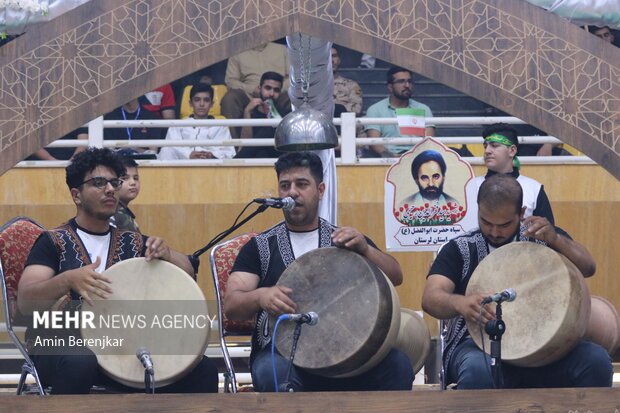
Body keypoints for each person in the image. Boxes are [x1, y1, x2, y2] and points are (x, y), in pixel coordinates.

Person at [17, 148, 218, 394]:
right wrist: (67, 280)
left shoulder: (133, 242)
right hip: (55, 342)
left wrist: (168, 253)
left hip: (119, 347)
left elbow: (187, 271)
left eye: (115, 182)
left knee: (203, 369)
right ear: (76, 195)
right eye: (99, 183)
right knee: (80, 361)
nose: (111, 189)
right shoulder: (52, 241)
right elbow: (26, 303)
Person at [224, 152, 414, 392]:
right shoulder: (260, 247)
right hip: (284, 356)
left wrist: (366, 249)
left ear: (320, 190)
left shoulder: (344, 240)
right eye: (285, 186)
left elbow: (396, 276)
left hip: (349, 356)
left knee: (398, 366)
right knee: (273, 374)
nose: (292, 192)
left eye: (302, 184)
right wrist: (260, 296)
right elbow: (232, 304)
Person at [421, 174, 612, 389]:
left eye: (503, 224)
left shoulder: (541, 236)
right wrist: (460, 304)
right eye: (486, 222)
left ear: (521, 213)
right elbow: (430, 298)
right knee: (478, 372)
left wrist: (557, 240)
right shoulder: (460, 248)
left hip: (546, 347)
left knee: (595, 361)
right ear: (478, 209)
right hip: (479, 347)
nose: (494, 231)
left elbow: (588, 267)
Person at [459, 123, 554, 231]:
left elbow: (548, 233)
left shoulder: (534, 189)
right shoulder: (470, 186)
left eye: (494, 146)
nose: (487, 151)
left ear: (512, 151)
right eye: (485, 146)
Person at [221, 42, 291, 138]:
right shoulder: (237, 53)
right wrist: (251, 89)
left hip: (278, 94)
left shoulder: (282, 50)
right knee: (230, 99)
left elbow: (293, 77)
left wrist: (275, 91)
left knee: (292, 97)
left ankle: (291, 142)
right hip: (248, 96)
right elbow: (231, 81)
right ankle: (234, 147)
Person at [364, 67, 434, 158]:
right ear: (390, 87)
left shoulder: (423, 109)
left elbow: (428, 141)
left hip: (418, 159)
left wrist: (413, 158)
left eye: (409, 81)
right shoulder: (375, 109)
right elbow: (374, 143)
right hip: (387, 160)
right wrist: (393, 157)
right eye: (401, 81)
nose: (407, 85)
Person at [159, 83, 236, 160]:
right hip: (183, 166)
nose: (201, 104)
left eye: (206, 100)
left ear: (211, 104)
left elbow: (228, 153)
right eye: (197, 100)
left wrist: (211, 155)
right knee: (166, 150)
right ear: (190, 103)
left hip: (209, 166)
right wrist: (188, 154)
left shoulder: (220, 126)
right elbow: (171, 146)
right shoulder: (179, 125)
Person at [396, 150, 461, 226]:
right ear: (416, 180)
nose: (431, 184)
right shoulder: (405, 205)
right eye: (424, 178)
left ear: (443, 177)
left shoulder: (454, 204)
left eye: (436, 177)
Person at [234, 71, 284, 159]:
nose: (271, 94)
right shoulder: (247, 114)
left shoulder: (285, 115)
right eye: (268, 88)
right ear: (259, 88)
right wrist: (247, 113)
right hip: (253, 162)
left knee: (272, 128)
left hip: (278, 159)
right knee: (261, 152)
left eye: (276, 90)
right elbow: (244, 146)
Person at [111, 156, 141, 232]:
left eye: (136, 178)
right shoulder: (116, 214)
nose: (133, 183)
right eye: (125, 178)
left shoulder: (122, 211)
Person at [331, 46, 363, 116]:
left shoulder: (352, 85)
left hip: (345, 124)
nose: (331, 60)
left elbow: (357, 109)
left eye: (334, 56)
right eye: (327, 57)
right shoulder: (315, 86)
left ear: (339, 60)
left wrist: (338, 109)